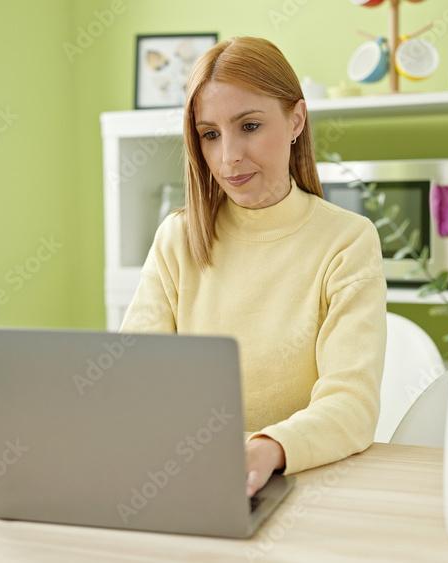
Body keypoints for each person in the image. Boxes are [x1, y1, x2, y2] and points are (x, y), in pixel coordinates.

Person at [120, 37, 387, 497]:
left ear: (296, 120)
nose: (229, 157)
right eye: (210, 135)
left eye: (248, 125)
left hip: (300, 483)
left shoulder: (348, 240)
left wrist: (267, 448)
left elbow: (351, 403)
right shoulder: (177, 238)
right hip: (185, 477)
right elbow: (133, 381)